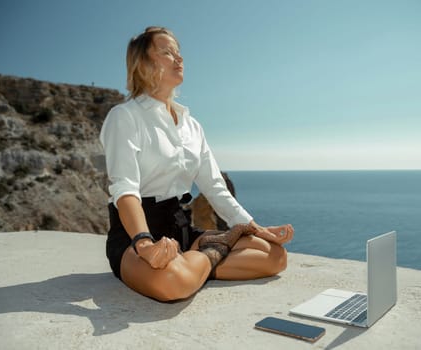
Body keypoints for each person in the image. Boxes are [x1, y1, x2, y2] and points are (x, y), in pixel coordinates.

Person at [99, 27, 294, 302]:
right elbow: (125, 189)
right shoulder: (125, 116)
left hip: (181, 231)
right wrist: (144, 244)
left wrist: (256, 228)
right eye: (167, 52)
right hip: (135, 236)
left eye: (179, 53)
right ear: (143, 63)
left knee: (274, 256)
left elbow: (214, 186)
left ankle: (194, 262)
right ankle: (212, 252)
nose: (178, 59)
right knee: (171, 283)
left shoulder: (192, 126)